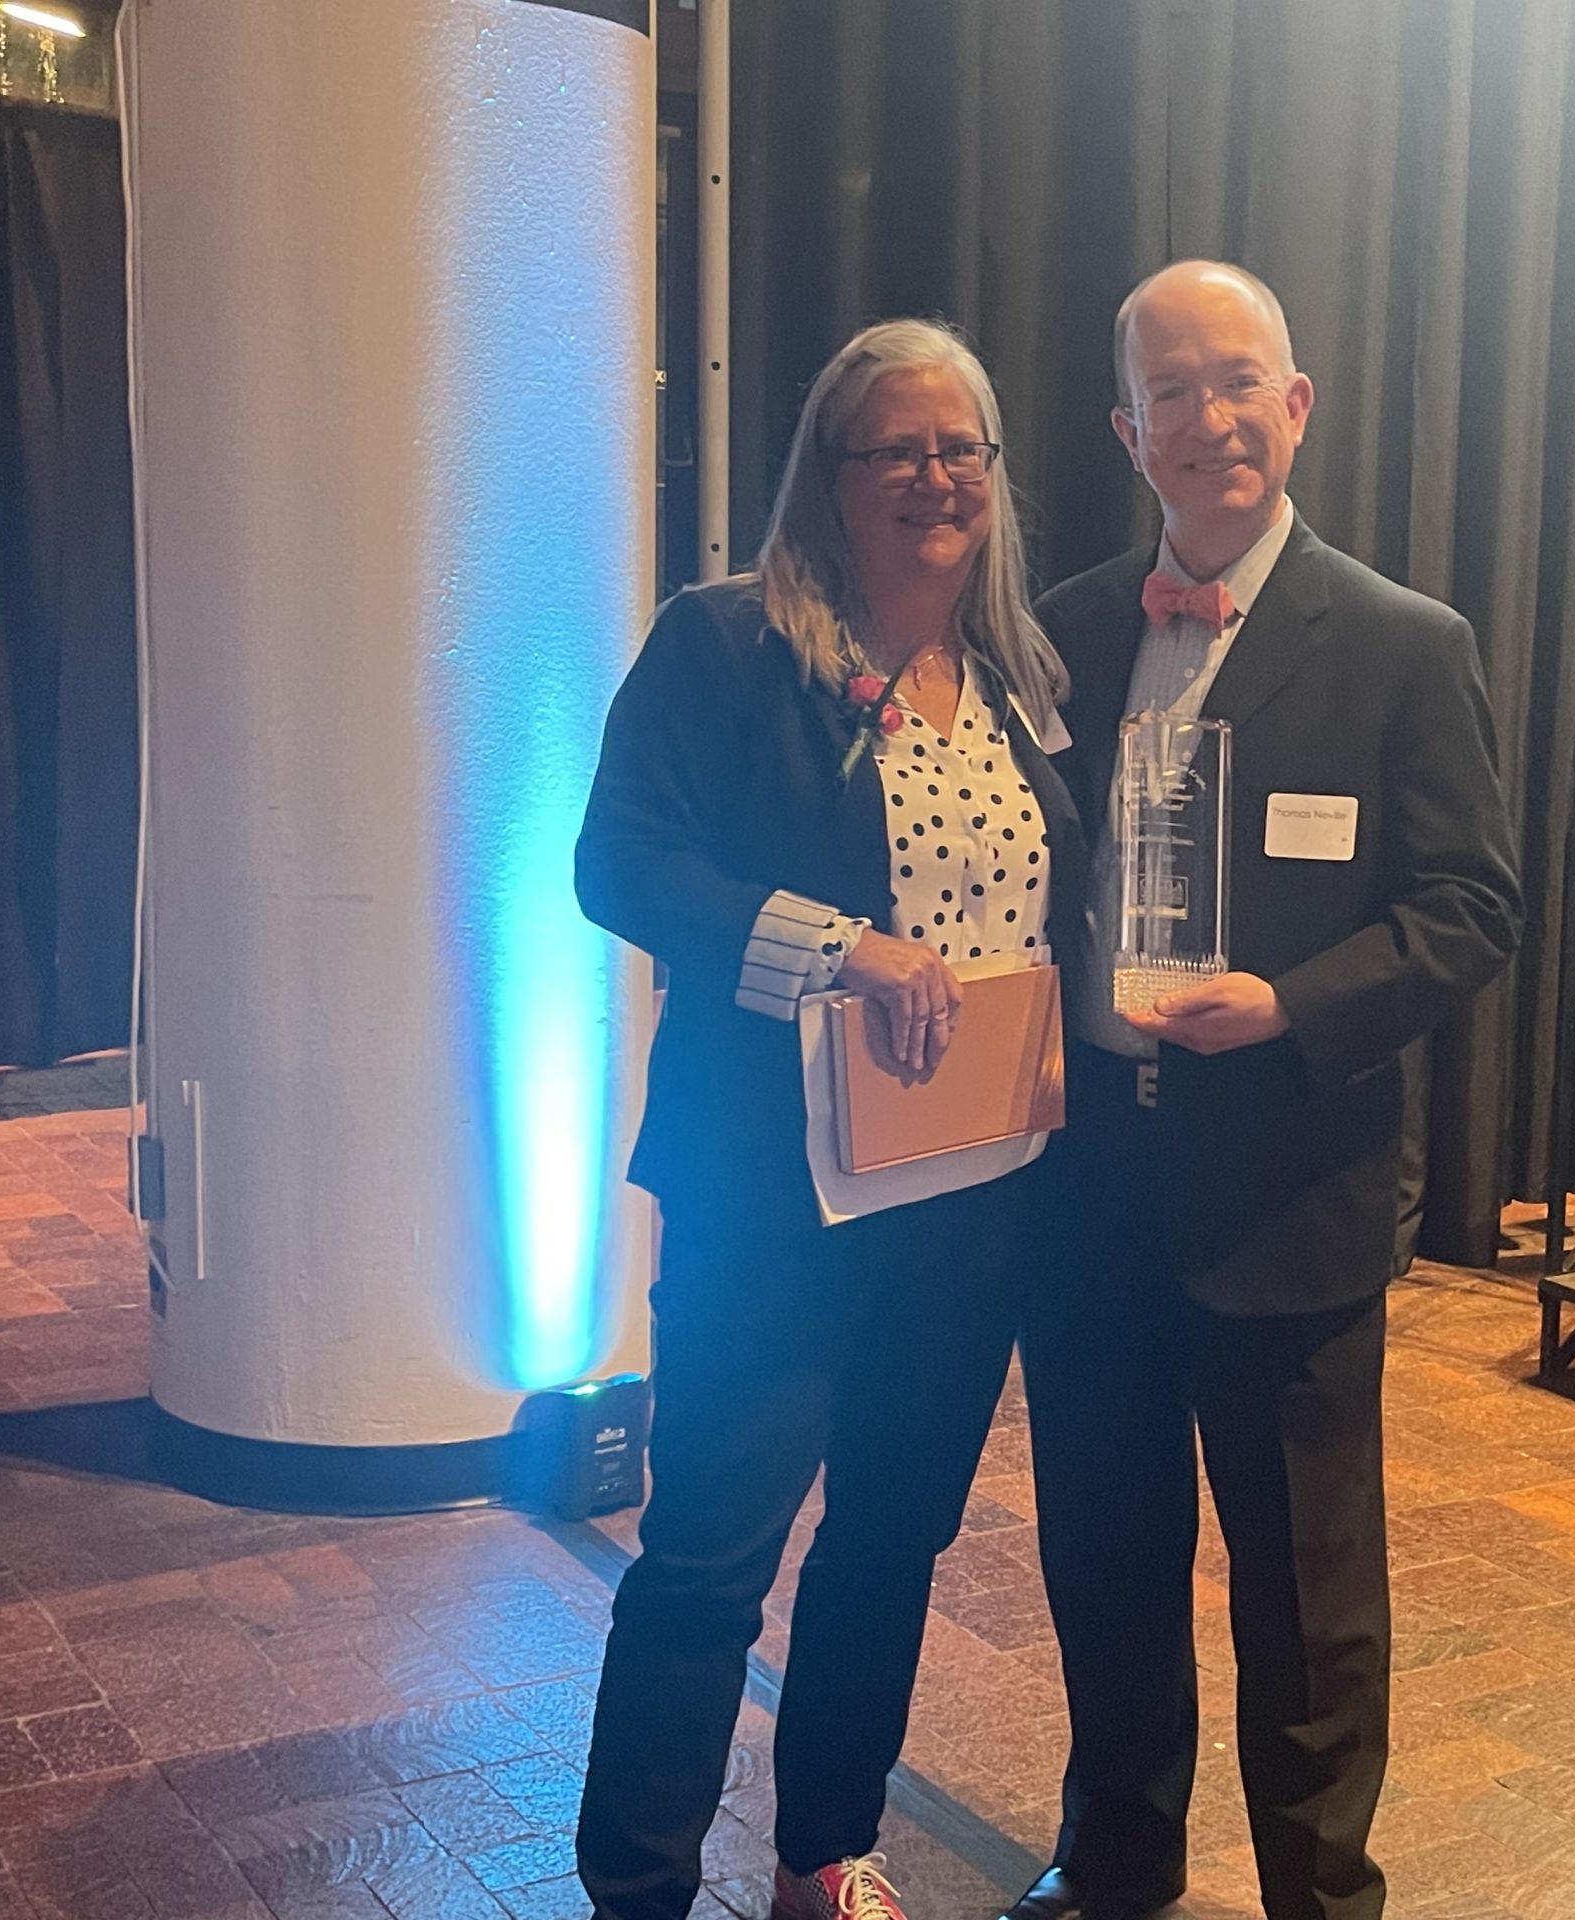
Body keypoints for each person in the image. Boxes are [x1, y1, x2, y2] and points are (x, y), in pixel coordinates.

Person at [1007, 262, 1521, 1920]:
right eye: (1172, 391)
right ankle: (1119, 1864)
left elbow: (1473, 911)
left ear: (1295, 406)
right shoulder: (1065, 632)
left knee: (1307, 1589)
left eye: (1240, 382)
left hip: (1287, 1191)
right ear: (1126, 430)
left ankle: (1320, 1893)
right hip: (1088, 1194)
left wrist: (1291, 1006)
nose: (1209, 418)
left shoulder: (1401, 645)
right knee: (1105, 1557)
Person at [572, 318, 1080, 1920]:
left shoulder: (1020, 680)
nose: (935, 477)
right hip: (767, 1203)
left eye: (963, 450)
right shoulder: (727, 646)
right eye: (897, 449)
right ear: (830, 476)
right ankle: (639, 1885)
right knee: (711, 1559)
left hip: (968, 1208)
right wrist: (837, 951)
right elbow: (621, 866)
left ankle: (822, 1857)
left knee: (886, 1550)